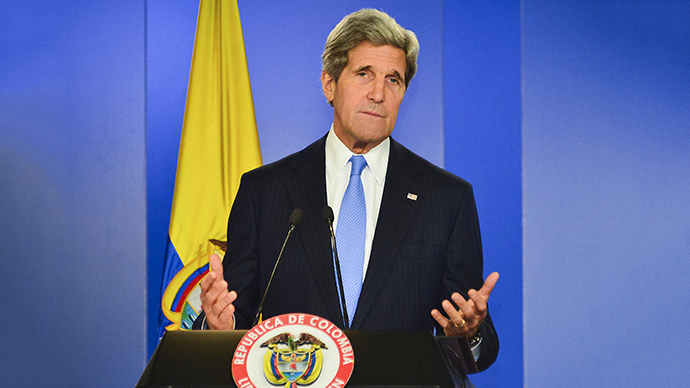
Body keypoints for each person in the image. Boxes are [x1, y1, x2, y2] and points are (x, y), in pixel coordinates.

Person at [194, 8, 500, 374]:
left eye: (393, 80)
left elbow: (470, 352)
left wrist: (468, 332)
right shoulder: (264, 192)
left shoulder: (447, 198)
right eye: (364, 74)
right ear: (329, 84)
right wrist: (216, 328)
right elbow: (233, 321)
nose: (378, 94)